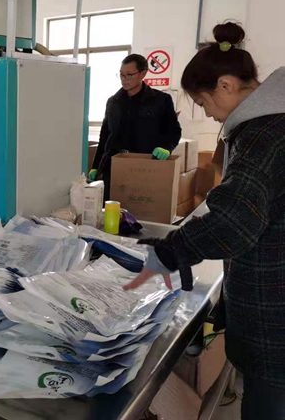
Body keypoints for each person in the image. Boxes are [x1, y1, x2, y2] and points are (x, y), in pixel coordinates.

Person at [124, 22, 285, 419]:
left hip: (274, 314)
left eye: (204, 102)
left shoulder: (263, 134)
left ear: (226, 85)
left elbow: (234, 220)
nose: (209, 114)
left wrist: (169, 252)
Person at [90, 54, 182, 200]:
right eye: (121, 75)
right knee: (110, 206)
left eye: (129, 75)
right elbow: (105, 135)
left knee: (139, 206)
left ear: (142, 73)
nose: (124, 79)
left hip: (144, 165)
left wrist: (167, 147)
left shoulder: (160, 100)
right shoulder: (113, 102)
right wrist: (96, 166)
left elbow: (173, 130)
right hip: (114, 165)